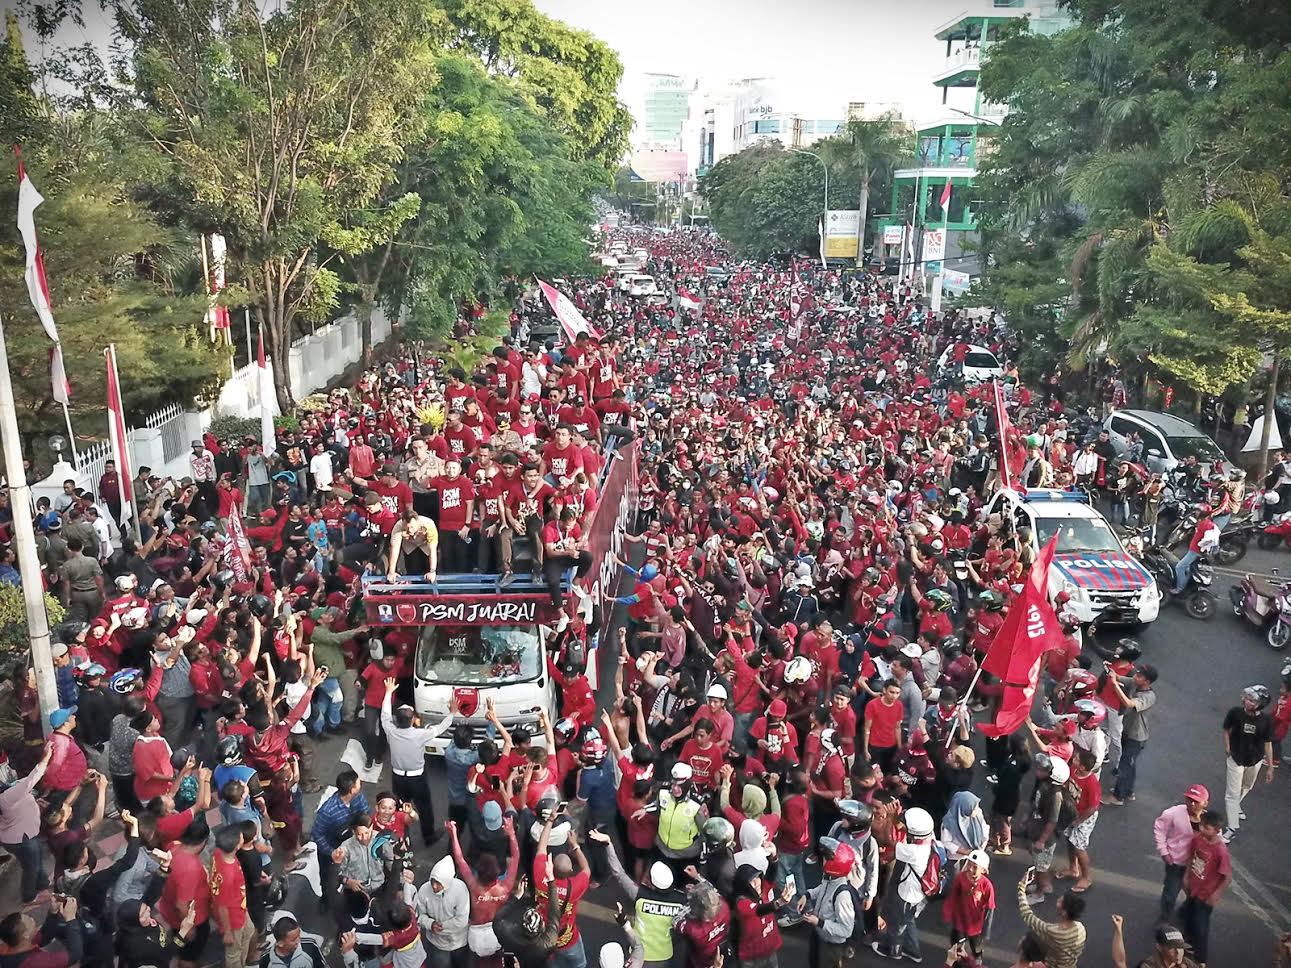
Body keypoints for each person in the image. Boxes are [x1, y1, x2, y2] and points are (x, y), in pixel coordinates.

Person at [379, 677, 455, 846]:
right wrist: (452, 712)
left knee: (398, 809)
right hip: (417, 778)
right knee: (424, 807)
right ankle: (428, 837)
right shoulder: (420, 734)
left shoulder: (390, 730)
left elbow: (384, 714)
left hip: (398, 777)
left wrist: (388, 692)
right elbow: (441, 728)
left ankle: (400, 837)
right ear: (412, 719)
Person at [1220, 684, 1276, 841]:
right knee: (1231, 794)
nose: (1246, 701)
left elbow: (1268, 743)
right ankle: (1232, 827)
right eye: (1246, 698)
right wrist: (1227, 747)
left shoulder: (1266, 721)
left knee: (1247, 786)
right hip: (1236, 759)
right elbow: (1226, 728)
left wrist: (1270, 767)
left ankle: (1236, 805)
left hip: (1255, 760)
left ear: (1260, 705)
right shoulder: (1235, 713)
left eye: (1251, 700)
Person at [0, 744, 53, 903]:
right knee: (31, 867)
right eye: (5, 768)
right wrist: (45, 758)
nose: (10, 771)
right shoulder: (5, 796)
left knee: (35, 860)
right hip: (22, 839)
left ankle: (43, 882)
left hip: (22, 834)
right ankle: (29, 896)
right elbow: (29, 782)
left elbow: (20, 790)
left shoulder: (6, 792)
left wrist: (33, 800)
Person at [1179, 810, 1231, 967]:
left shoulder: (1221, 851)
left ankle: (1201, 959)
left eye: (1206, 827)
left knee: (1201, 926)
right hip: (1193, 888)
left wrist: (1215, 896)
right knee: (1188, 919)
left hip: (1205, 895)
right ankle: (1187, 947)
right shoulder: (1197, 839)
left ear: (1216, 830)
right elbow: (1191, 857)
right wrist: (1186, 876)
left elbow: (1227, 877)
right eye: (1201, 825)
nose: (1201, 829)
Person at [1153, 784, 1211, 924]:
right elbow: (1159, 828)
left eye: (1196, 801)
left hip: (1197, 866)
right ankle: (1164, 919)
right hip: (1176, 862)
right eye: (1189, 799)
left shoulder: (1209, 821)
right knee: (1170, 893)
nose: (1192, 804)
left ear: (1205, 803)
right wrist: (1163, 851)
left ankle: (1184, 912)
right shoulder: (1174, 813)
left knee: (1194, 894)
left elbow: (1216, 841)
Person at [1106, 663, 1159, 805]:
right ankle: (1129, 791)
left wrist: (1115, 685)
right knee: (1130, 764)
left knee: (1125, 765)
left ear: (1147, 682)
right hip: (1128, 731)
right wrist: (1113, 673)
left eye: (1139, 675)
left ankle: (1118, 797)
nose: (1135, 676)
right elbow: (1121, 678)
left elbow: (1129, 703)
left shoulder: (1149, 696)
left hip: (1136, 737)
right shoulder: (1136, 683)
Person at [1017, 868, 1087, 968]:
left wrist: (1021, 887)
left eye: (1060, 902)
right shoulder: (1081, 928)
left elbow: (1028, 915)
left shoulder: (1053, 931)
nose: (1057, 901)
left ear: (1064, 913)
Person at [414, 853, 471, 968]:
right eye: (432, 881)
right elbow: (419, 915)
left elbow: (462, 920)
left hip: (459, 943)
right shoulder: (424, 890)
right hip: (437, 945)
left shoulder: (460, 890)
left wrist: (441, 926)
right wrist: (430, 924)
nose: (434, 886)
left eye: (438, 883)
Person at [942, 849, 995, 964]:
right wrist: (947, 913)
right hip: (960, 921)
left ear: (983, 870)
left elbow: (990, 909)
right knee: (956, 946)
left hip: (976, 926)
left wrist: (986, 931)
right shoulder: (960, 878)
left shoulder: (987, 886)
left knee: (976, 947)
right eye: (969, 865)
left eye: (975, 867)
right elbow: (953, 897)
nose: (970, 869)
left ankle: (977, 962)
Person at [1111, 916, 1199, 968]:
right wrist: (1118, 930)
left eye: (1181, 947)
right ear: (1159, 947)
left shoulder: (1187, 964)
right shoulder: (1148, 966)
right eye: (1172, 948)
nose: (1178, 952)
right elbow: (1120, 962)